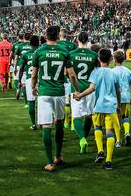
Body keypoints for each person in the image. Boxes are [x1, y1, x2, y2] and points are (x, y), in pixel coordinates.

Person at [31, 26, 79, 172]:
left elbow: (33, 74)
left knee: (46, 126)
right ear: (58, 36)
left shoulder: (39, 51)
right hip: (59, 92)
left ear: (45, 36)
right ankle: (58, 156)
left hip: (44, 92)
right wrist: (77, 89)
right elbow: (71, 75)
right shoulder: (64, 51)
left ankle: (49, 162)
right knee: (59, 123)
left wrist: (33, 87)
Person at [74, 48, 121, 170]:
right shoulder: (114, 73)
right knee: (110, 132)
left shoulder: (95, 72)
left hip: (99, 106)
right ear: (111, 59)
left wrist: (79, 95)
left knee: (97, 128)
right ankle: (109, 161)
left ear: (99, 59)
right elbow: (118, 91)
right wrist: (119, 105)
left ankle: (100, 151)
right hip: (111, 107)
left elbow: (91, 89)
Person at [69, 32, 99, 154]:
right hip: (90, 89)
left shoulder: (71, 54)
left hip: (76, 89)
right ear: (88, 40)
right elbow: (97, 72)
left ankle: (82, 139)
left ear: (77, 40)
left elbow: (68, 73)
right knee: (89, 116)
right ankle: (85, 137)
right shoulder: (93, 55)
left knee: (76, 117)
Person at [112, 50, 131, 147]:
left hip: (116, 98)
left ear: (115, 60)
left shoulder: (112, 71)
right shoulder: (128, 70)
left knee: (117, 119)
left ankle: (118, 141)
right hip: (126, 97)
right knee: (125, 117)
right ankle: (127, 133)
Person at [18, 35, 40, 130]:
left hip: (29, 79)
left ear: (30, 44)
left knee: (31, 102)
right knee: (40, 103)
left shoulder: (26, 54)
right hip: (41, 79)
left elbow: (21, 69)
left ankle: (33, 124)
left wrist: (19, 81)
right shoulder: (41, 52)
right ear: (38, 43)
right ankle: (41, 123)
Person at [57, 29, 77, 129]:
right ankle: (73, 124)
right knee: (72, 99)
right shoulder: (72, 45)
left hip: (58, 76)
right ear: (67, 35)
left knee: (64, 100)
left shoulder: (56, 45)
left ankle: (65, 122)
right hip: (71, 74)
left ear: (59, 35)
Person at [15, 33, 33, 103]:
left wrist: (15, 67)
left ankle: (26, 102)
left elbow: (16, 58)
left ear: (24, 38)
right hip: (32, 67)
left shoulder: (20, 46)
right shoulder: (33, 46)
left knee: (24, 85)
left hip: (23, 67)